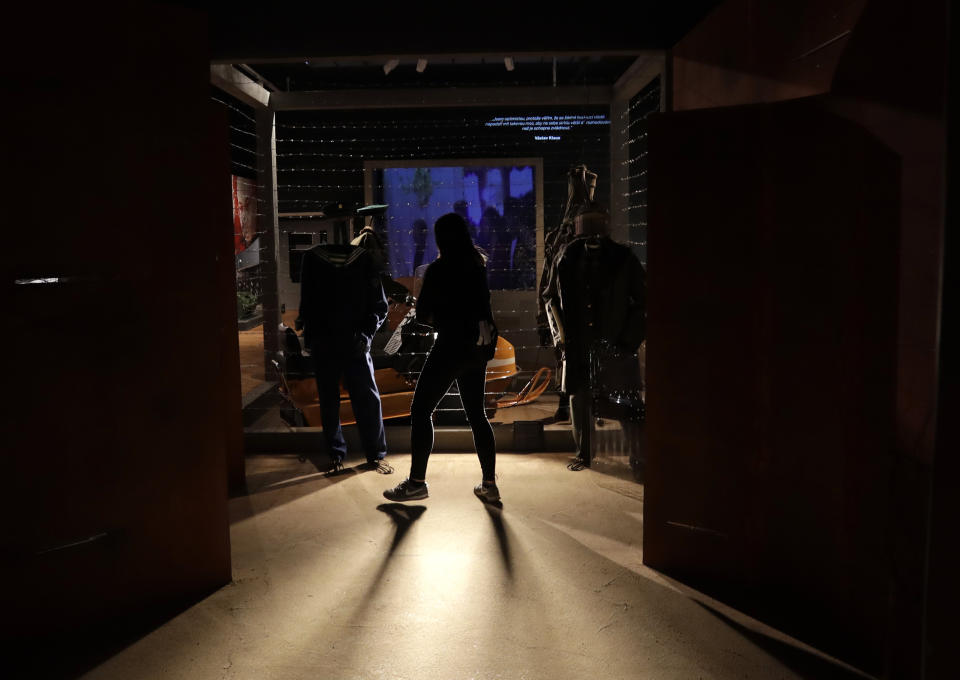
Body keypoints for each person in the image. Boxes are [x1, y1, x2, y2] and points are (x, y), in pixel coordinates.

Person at [383, 212, 499, 502]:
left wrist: (441, 319)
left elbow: (424, 316)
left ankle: (417, 483)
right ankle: (489, 484)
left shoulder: (437, 270)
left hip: (450, 347)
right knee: (477, 415)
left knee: (421, 411)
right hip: (478, 347)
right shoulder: (477, 265)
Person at [298, 242, 393, 474]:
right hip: (339, 340)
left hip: (348, 341)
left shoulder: (320, 260)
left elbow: (307, 303)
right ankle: (346, 454)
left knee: (356, 399)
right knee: (348, 400)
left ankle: (361, 454)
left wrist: (366, 335)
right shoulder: (317, 260)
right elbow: (379, 306)